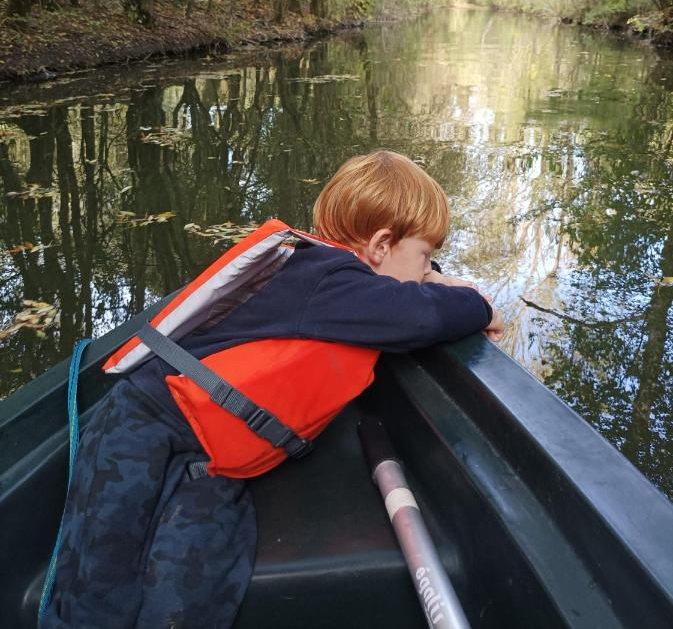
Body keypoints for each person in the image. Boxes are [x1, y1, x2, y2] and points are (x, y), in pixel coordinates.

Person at [42, 150, 503, 629]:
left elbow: (409, 299)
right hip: (141, 425)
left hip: (207, 452)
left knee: (193, 581)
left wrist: (431, 278)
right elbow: (421, 314)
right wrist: (479, 306)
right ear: (382, 244)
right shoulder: (328, 279)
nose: (426, 273)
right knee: (98, 579)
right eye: (425, 257)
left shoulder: (332, 281)